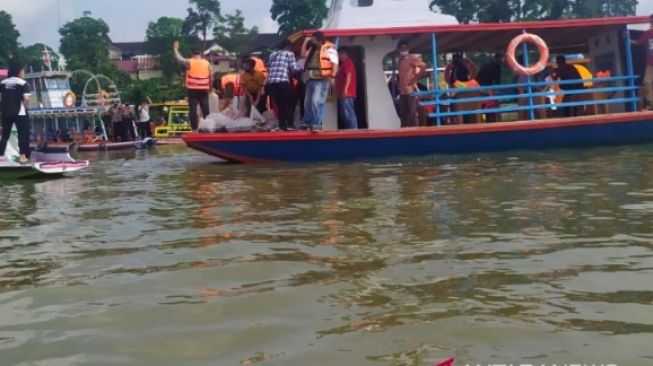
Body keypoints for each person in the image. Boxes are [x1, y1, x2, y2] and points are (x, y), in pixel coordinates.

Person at [302, 31, 339, 131]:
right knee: (308, 103)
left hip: (321, 80)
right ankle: (308, 123)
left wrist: (333, 77)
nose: (312, 41)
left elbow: (335, 64)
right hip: (310, 80)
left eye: (314, 40)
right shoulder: (312, 49)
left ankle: (316, 124)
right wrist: (305, 42)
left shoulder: (330, 49)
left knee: (316, 102)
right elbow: (303, 55)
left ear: (319, 39)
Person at [173, 41, 213, 130]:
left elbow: (179, 58)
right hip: (204, 88)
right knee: (205, 108)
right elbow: (211, 76)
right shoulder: (207, 63)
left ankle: (194, 129)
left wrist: (175, 49)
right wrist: (210, 87)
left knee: (193, 109)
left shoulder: (189, 62)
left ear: (191, 53)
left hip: (192, 89)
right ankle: (209, 127)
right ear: (200, 53)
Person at [0, 62, 32, 164]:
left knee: (5, 135)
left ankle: (1, 156)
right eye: (22, 71)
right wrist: (26, 108)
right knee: (23, 134)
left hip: (6, 112)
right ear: (18, 72)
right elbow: (26, 99)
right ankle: (23, 157)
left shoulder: (3, 82)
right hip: (20, 113)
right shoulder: (23, 83)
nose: (23, 73)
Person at [266, 40, 300, 130]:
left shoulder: (272, 55)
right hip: (282, 81)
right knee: (290, 103)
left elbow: (268, 68)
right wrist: (303, 68)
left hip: (271, 83)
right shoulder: (289, 54)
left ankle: (281, 125)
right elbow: (294, 69)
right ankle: (289, 125)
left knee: (280, 104)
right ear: (288, 46)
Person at [397, 41, 426, 127]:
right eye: (401, 48)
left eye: (405, 48)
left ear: (408, 49)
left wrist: (414, 79)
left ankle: (414, 131)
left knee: (412, 114)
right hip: (402, 91)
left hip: (410, 91)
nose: (403, 50)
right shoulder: (399, 61)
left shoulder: (412, 58)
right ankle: (404, 131)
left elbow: (424, 66)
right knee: (403, 113)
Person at [633, 14, 653, 110]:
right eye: (650, 21)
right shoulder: (648, 33)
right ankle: (651, 103)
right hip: (650, 64)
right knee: (647, 82)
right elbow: (638, 43)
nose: (651, 23)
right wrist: (627, 39)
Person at [335, 47, 358, 129]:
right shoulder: (342, 64)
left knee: (348, 113)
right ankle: (349, 130)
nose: (339, 56)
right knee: (344, 114)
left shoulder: (348, 62)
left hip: (347, 93)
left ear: (345, 54)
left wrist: (346, 89)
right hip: (342, 94)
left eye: (340, 54)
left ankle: (353, 131)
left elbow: (349, 75)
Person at [477, 53, 503, 122]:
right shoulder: (497, 65)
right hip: (489, 86)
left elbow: (478, 76)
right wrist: (497, 87)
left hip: (481, 86)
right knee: (494, 102)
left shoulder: (485, 65)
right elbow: (497, 78)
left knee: (485, 103)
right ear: (500, 58)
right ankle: (496, 118)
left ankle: (488, 118)